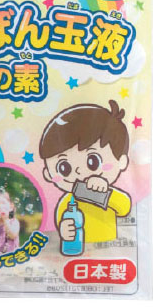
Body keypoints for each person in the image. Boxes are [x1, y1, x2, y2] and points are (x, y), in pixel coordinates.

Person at [40, 100, 131, 252]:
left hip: (108, 247)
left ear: (121, 161)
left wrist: (105, 192)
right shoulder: (69, 201)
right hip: (77, 249)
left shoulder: (108, 194)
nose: (78, 172)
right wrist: (64, 230)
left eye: (92, 161)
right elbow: (60, 220)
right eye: (64, 167)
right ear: (48, 174)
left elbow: (124, 208)